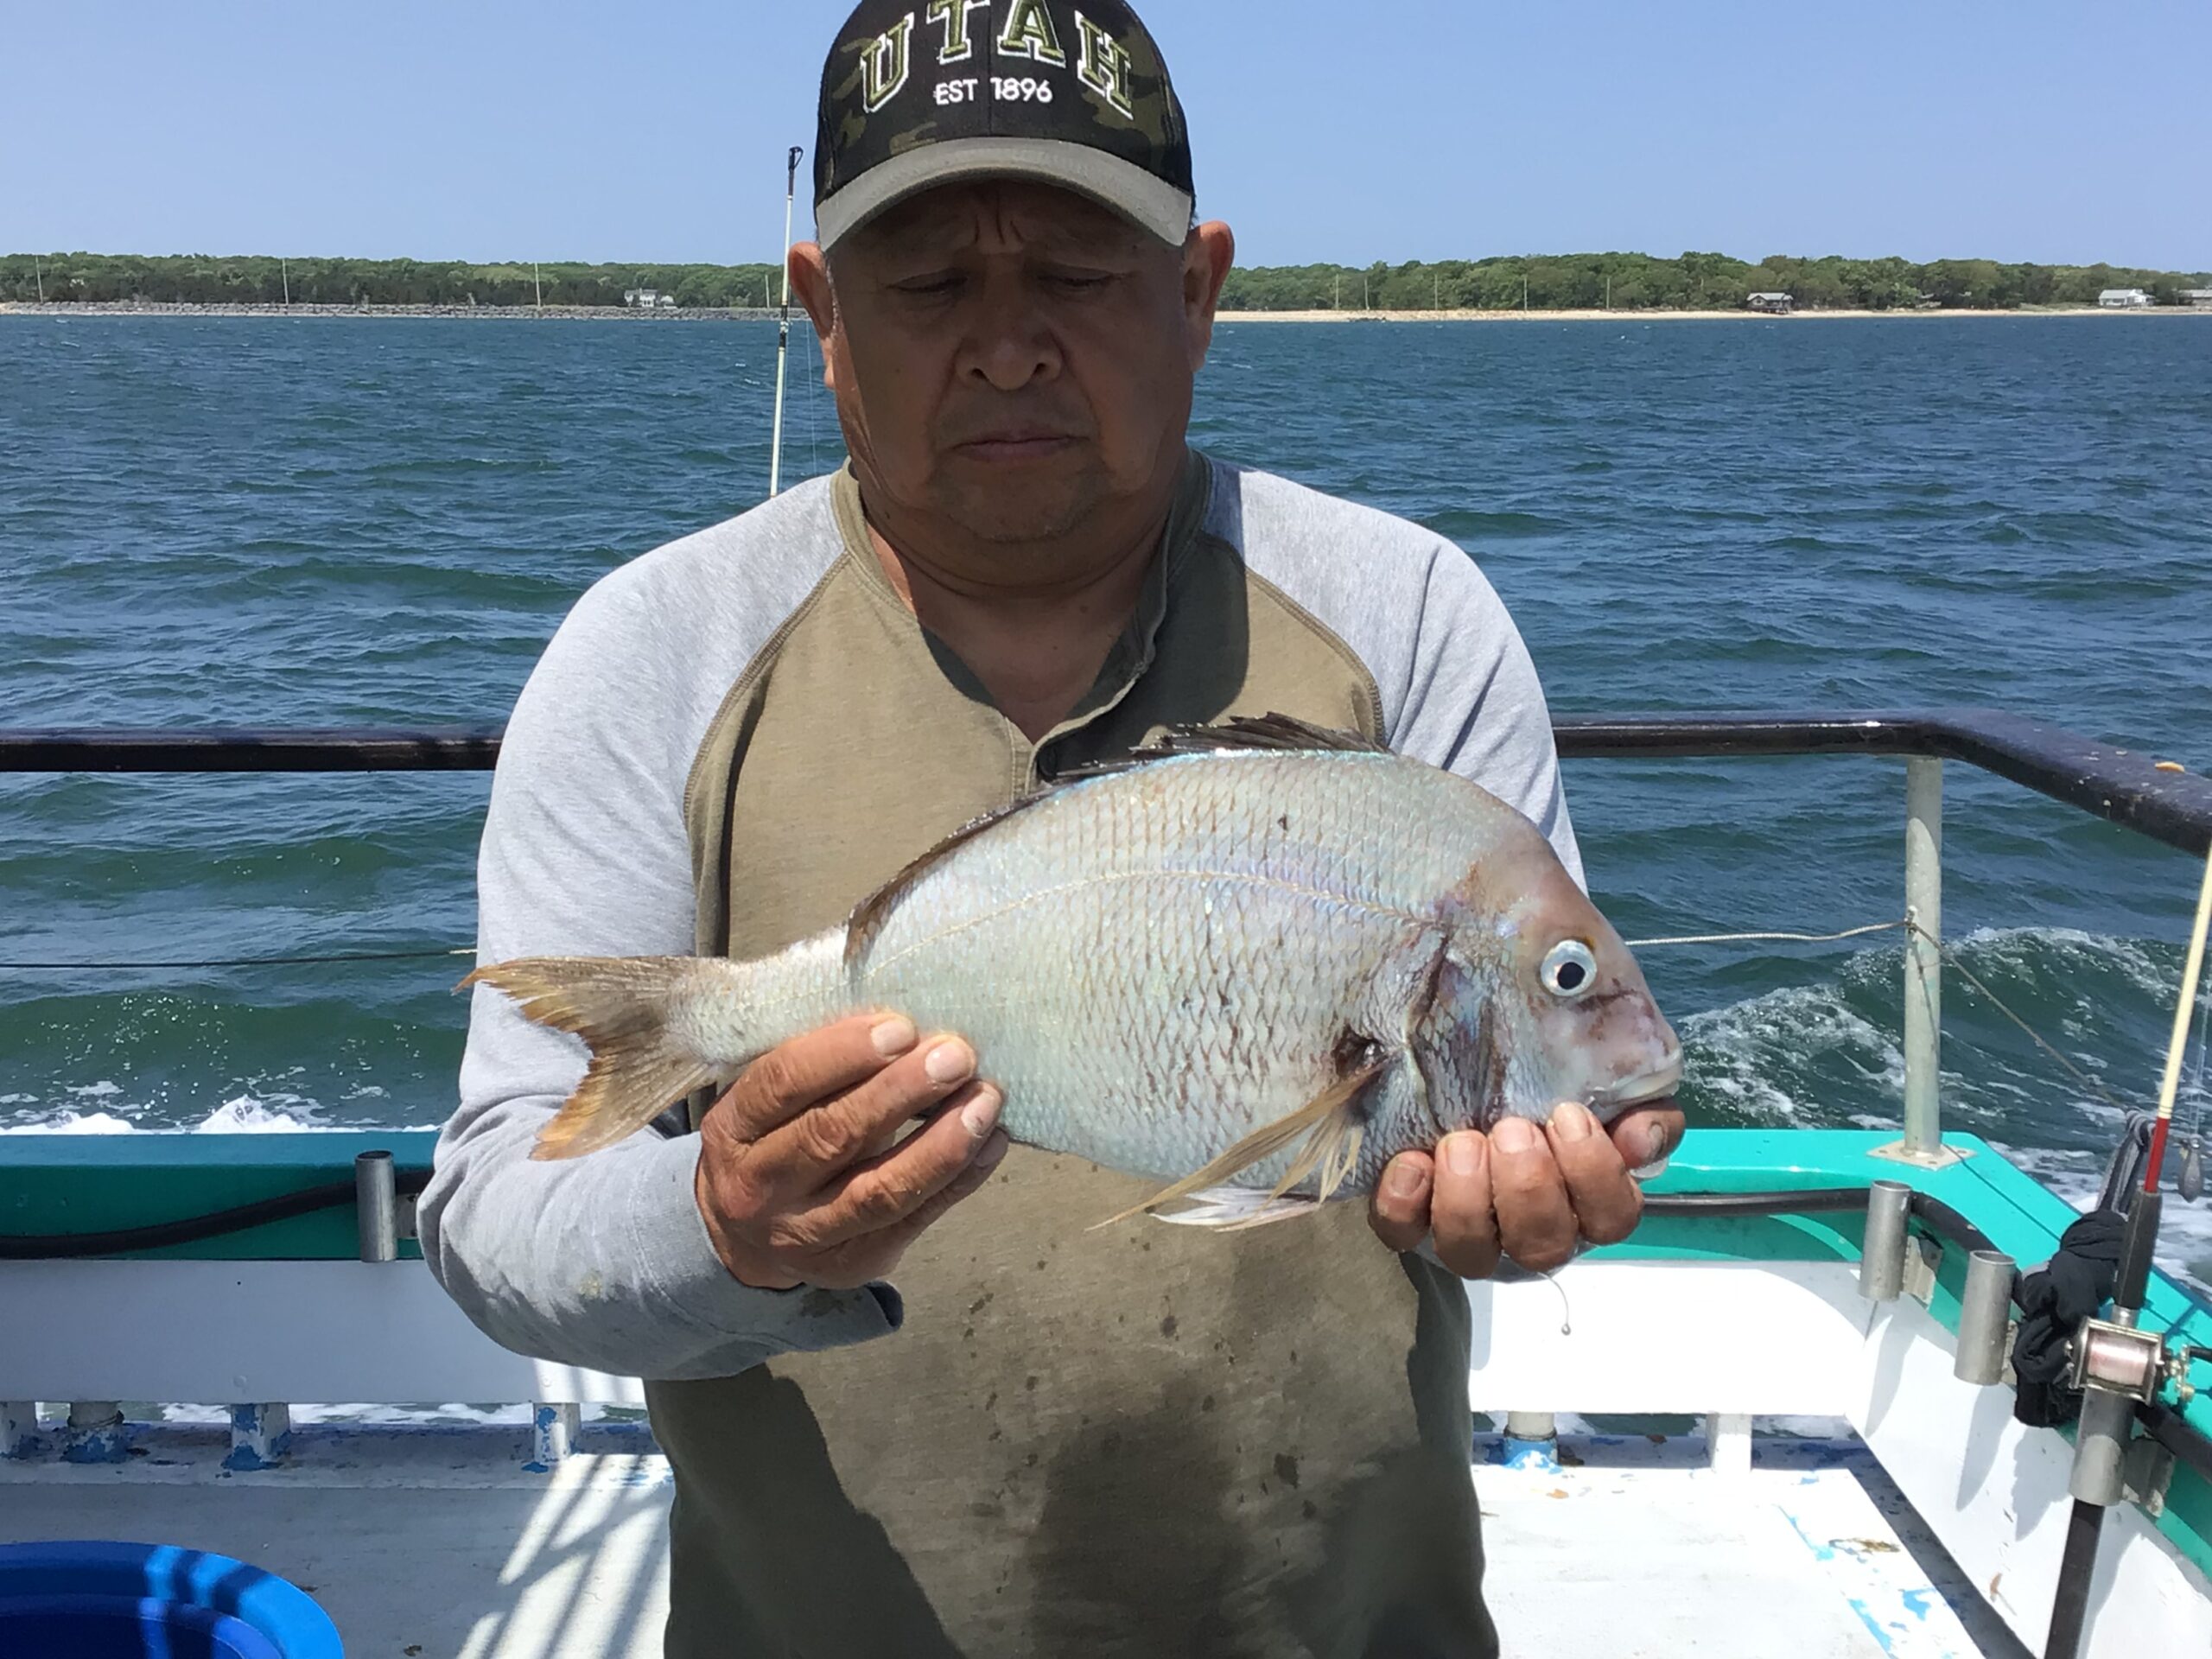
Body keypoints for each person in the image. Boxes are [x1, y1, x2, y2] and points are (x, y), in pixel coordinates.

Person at [419, 3, 1683, 1654]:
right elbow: (494, 1216)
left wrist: (1521, 1209)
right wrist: (721, 1228)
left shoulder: (1409, 611)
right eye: (931, 282)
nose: (1007, 346)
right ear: (822, 314)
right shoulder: (652, 652)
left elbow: (1482, 1115)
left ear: (1199, 293)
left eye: (1079, 278)